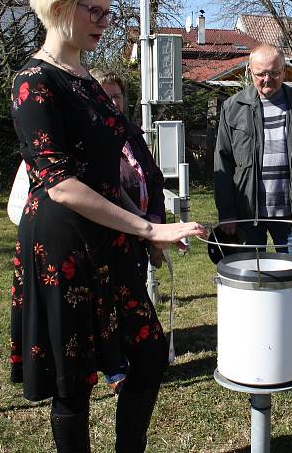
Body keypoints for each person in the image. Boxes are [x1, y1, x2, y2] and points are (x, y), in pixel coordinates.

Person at [9, 0, 206, 453]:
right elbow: (60, 184)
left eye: (107, 13)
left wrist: (146, 224)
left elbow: (110, 168)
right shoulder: (34, 82)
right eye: (93, 12)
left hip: (111, 235)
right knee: (73, 379)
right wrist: (147, 230)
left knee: (148, 355)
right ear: (59, 7)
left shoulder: (87, 78)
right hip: (63, 241)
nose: (104, 22)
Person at [214, 44, 292, 328]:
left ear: (284, 71)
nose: (266, 80)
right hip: (250, 215)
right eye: (260, 74)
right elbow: (222, 163)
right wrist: (227, 212)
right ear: (250, 72)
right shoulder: (233, 107)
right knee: (252, 283)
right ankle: (259, 338)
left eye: (274, 74)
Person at [90, 68, 166, 391]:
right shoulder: (91, 140)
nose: (112, 101)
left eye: (117, 95)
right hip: (110, 239)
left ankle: (133, 358)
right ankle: (115, 368)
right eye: (105, 95)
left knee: (133, 303)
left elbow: (155, 179)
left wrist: (156, 224)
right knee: (109, 304)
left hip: (140, 237)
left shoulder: (132, 134)